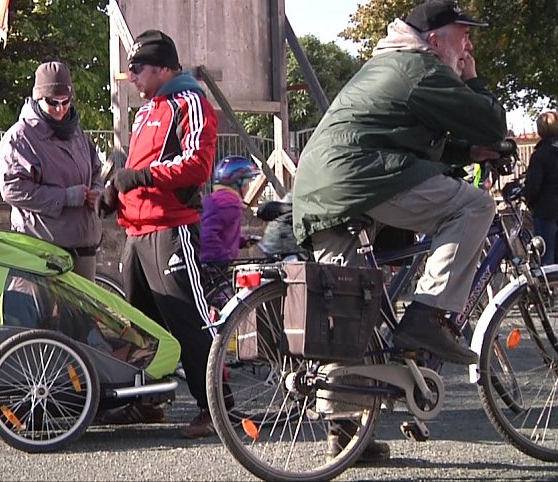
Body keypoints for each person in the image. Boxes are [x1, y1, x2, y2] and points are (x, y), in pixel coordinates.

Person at [291, 0, 506, 462]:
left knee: (349, 305)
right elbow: (490, 121)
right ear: (436, 40)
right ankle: (428, 316)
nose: (468, 45)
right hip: (361, 181)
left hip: (323, 189)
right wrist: (473, 81)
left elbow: (401, 137)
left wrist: (466, 152)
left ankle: (346, 435)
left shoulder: (388, 65)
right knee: (475, 205)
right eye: (463, 35)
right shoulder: (420, 68)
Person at [98, 29, 219, 438]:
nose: (132, 76)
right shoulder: (147, 110)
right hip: (136, 230)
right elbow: (136, 169)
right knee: (139, 325)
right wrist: (115, 194)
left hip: (171, 228)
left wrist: (140, 177)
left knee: (188, 320)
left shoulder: (190, 102)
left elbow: (197, 165)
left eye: (138, 68)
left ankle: (217, 408)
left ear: (164, 68)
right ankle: (146, 402)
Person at [0, 61, 103, 281]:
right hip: (44, 250)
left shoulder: (77, 133)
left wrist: (97, 193)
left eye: (66, 102)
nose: (60, 109)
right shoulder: (21, 137)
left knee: (84, 305)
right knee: (47, 306)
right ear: (38, 98)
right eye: (52, 102)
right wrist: (65, 197)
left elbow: (95, 169)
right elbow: (12, 188)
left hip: (84, 247)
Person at [200, 155, 261, 266]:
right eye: (247, 183)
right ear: (238, 183)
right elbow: (207, 235)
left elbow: (221, 231)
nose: (248, 188)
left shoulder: (213, 199)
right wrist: (225, 258)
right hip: (213, 267)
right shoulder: (229, 204)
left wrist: (242, 241)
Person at [523, 111, 558, 265]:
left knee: (546, 256)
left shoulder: (540, 155)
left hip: (546, 209)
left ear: (540, 130)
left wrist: (528, 200)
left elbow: (533, 185)